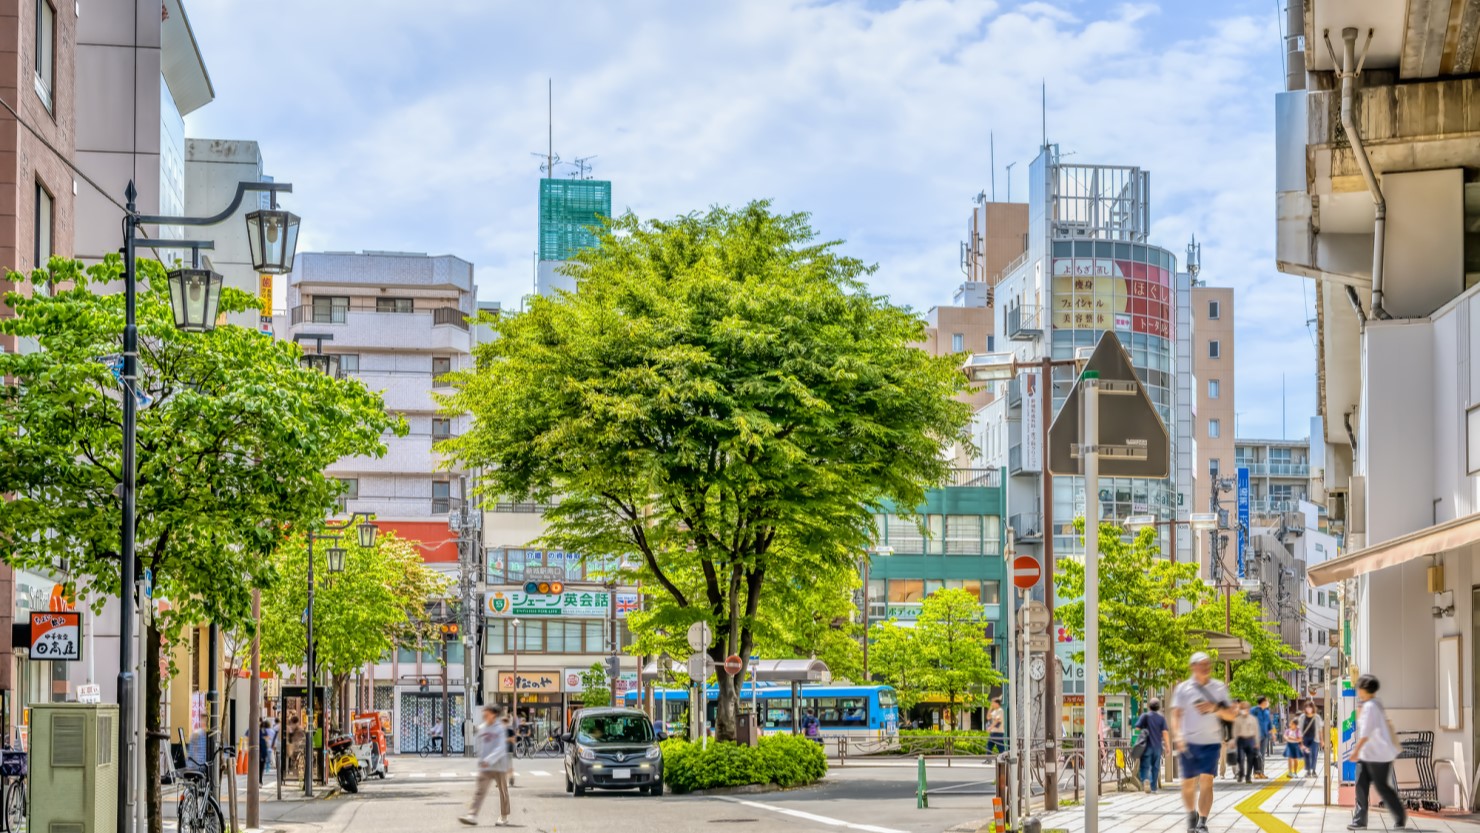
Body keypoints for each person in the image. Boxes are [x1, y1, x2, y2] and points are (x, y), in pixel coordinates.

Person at [1170, 652, 1237, 833]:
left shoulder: (1218, 688)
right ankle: (1191, 815)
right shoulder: (1183, 689)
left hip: (1211, 742)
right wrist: (1178, 736)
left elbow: (1231, 715)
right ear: (1193, 667)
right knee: (1188, 784)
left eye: (1208, 664)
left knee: (1207, 781)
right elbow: (1176, 715)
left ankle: (1202, 822)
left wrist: (1214, 708)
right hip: (1189, 742)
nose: (1206, 668)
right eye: (1202, 664)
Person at [1347, 675, 1407, 830]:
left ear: (1364, 689)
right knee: (1361, 785)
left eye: (1359, 687)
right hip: (1368, 754)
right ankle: (1359, 821)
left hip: (1378, 755)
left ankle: (1400, 816)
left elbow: (1365, 734)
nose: (1358, 690)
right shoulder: (1372, 703)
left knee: (1381, 787)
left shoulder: (1371, 706)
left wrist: (1355, 751)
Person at [461, 706, 512, 827]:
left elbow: (501, 748)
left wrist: (488, 760)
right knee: (480, 790)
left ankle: (504, 816)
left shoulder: (500, 728)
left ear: (493, 714)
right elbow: (481, 746)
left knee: (503, 791)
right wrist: (481, 760)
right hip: (485, 766)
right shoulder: (483, 727)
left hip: (499, 765)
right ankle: (472, 815)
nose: (484, 714)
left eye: (486, 713)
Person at [1134, 698, 1170, 794]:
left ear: (1149, 707)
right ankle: (1153, 787)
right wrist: (1167, 746)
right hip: (1157, 746)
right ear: (1158, 707)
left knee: (1145, 765)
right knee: (1155, 767)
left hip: (1146, 746)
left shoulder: (1145, 716)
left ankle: (1146, 779)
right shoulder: (1161, 718)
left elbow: (1137, 728)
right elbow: (1165, 732)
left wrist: (1144, 729)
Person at [1233, 701, 1261, 784]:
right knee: (1240, 759)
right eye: (1242, 708)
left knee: (1250, 759)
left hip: (1250, 740)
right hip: (1240, 740)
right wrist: (1233, 741)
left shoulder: (1253, 719)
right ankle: (1241, 773)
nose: (1244, 710)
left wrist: (1257, 742)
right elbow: (1235, 731)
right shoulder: (1237, 719)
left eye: (1245, 708)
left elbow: (1256, 731)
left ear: (1248, 709)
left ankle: (1248, 776)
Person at [1250, 697, 1273, 779]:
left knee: (1262, 755)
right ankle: (1256, 773)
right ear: (1263, 702)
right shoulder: (1253, 710)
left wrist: (1272, 734)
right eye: (1267, 701)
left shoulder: (1266, 711)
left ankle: (1261, 773)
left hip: (1265, 736)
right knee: (1257, 754)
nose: (1268, 702)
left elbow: (1269, 724)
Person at [1300, 702, 1325, 778]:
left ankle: (1313, 770)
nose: (1308, 709)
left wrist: (1321, 740)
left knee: (1314, 754)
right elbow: (1299, 729)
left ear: (1313, 708)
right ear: (1305, 708)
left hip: (1315, 739)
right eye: (1307, 707)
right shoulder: (1302, 717)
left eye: (1310, 707)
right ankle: (1308, 771)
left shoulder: (1317, 717)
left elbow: (1320, 729)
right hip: (1305, 739)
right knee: (1306, 754)